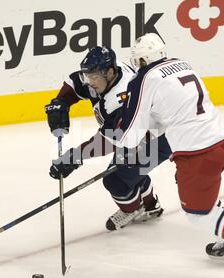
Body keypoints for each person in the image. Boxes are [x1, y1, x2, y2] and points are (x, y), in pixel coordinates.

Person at [114, 33, 224, 270]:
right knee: (205, 194)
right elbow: (173, 110)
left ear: (144, 59)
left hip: (198, 153)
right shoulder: (182, 64)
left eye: (138, 60)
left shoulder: (145, 79)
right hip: (223, 141)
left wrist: (121, 143)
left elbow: (131, 134)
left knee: (198, 213)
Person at [44, 46, 172, 231]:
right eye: (89, 76)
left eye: (94, 77)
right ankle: (151, 206)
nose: (89, 82)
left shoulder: (122, 98)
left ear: (110, 72)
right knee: (129, 172)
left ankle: (134, 209)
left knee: (116, 180)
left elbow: (110, 140)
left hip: (154, 139)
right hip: (133, 134)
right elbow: (75, 82)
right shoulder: (105, 73)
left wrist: (75, 157)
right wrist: (61, 102)